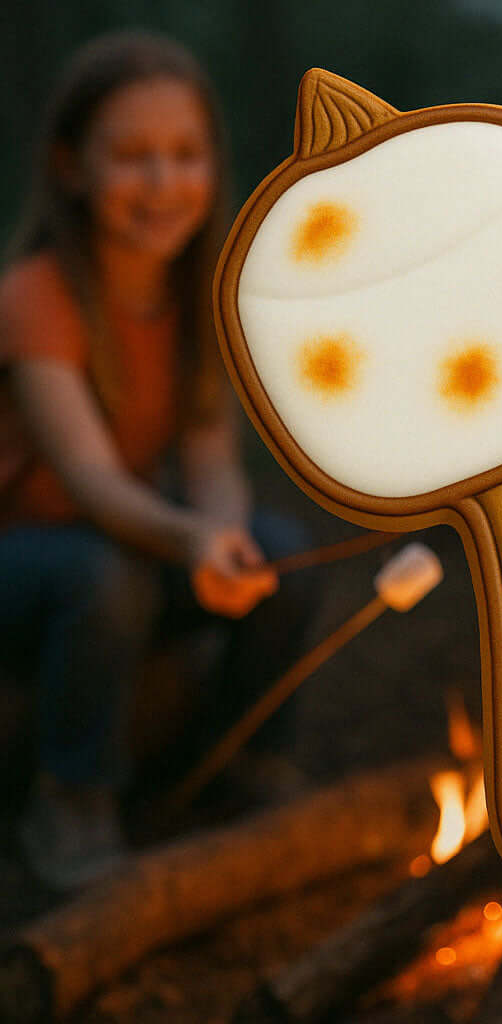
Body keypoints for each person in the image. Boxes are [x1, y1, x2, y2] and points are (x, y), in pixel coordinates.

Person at [0, 31, 314, 888]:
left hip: (130, 543)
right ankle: (69, 804)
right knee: (106, 576)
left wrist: (221, 536)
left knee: (280, 554)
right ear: (70, 166)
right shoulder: (36, 295)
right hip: (30, 561)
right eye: (131, 157)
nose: (163, 183)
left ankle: (237, 766)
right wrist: (187, 542)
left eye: (185, 154)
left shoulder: (204, 292)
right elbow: (89, 479)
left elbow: (212, 454)